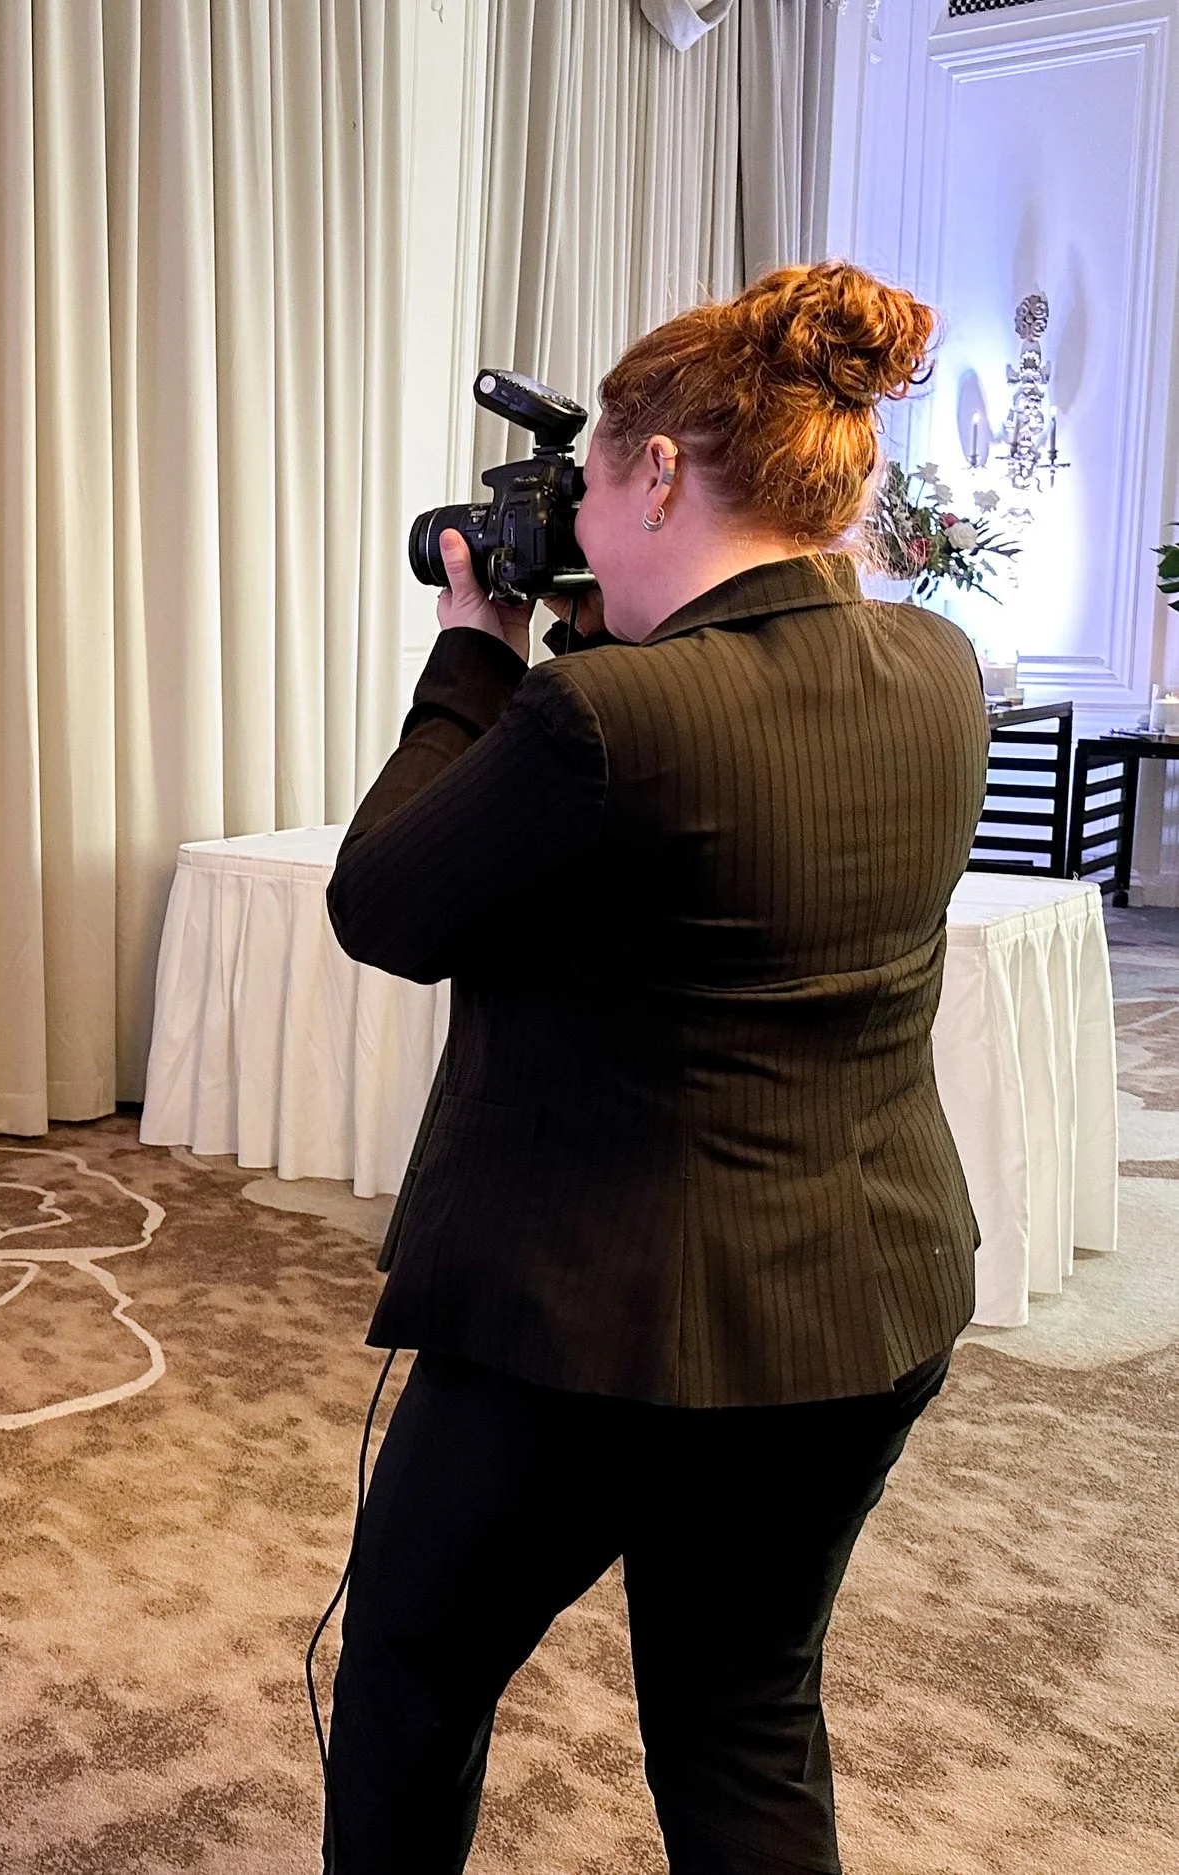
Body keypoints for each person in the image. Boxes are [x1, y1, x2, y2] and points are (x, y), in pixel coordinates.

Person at [320, 262, 986, 1873]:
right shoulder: (935, 666)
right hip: (865, 1306)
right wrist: (591, 630)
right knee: (742, 1712)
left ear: (663, 472)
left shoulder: (596, 722)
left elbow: (384, 904)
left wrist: (474, 652)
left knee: (410, 1674)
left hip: (601, 1326)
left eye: (593, 476)